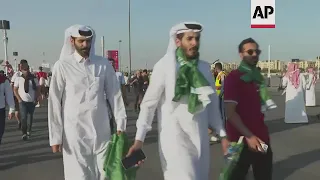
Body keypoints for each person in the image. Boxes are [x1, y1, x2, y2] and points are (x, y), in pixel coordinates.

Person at [127, 22, 227, 180]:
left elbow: (213, 106)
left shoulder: (204, 68)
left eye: (197, 38)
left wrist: (223, 134)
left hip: (200, 139)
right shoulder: (164, 67)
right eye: (190, 39)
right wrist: (139, 139)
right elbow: (148, 105)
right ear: (177, 41)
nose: (195, 43)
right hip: (174, 139)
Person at [48, 24, 127, 180]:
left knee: (106, 173)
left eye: (88, 41)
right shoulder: (63, 66)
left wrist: (121, 124)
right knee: (80, 176)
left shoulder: (103, 64)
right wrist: (55, 136)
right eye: (81, 41)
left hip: (102, 131)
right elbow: (54, 101)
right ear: (72, 41)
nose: (85, 45)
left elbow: (114, 95)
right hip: (75, 133)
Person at [224, 38, 273, 180]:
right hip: (239, 141)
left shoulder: (257, 78)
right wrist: (249, 136)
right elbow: (230, 112)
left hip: (262, 140)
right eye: (249, 51)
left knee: (264, 175)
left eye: (257, 51)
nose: (254, 54)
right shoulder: (234, 78)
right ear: (241, 54)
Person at [13, 60, 39, 140]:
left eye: (27, 69)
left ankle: (29, 130)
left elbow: (37, 89)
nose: (26, 71)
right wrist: (19, 99)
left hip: (31, 101)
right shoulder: (18, 79)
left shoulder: (34, 79)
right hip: (22, 102)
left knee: (30, 117)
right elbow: (15, 89)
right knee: (23, 117)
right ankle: (24, 133)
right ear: (22, 70)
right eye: (24, 69)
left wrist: (36, 98)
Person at [0, 71, 15, 144]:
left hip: (1, 109)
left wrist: (11, 109)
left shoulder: (3, 80)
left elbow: (9, 95)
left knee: (0, 131)